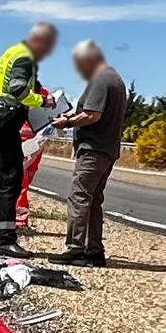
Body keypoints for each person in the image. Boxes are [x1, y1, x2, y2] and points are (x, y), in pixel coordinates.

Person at [0, 23, 57, 256]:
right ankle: (6, 240)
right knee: (11, 181)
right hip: (4, 124)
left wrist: (40, 89)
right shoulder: (26, 57)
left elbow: (22, 82)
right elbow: (17, 88)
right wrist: (43, 102)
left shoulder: (14, 52)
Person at [51, 40, 127, 266]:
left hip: (94, 149)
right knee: (93, 200)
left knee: (80, 197)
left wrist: (67, 122)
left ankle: (76, 249)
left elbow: (92, 114)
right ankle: (94, 250)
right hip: (107, 149)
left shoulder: (100, 80)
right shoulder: (116, 79)